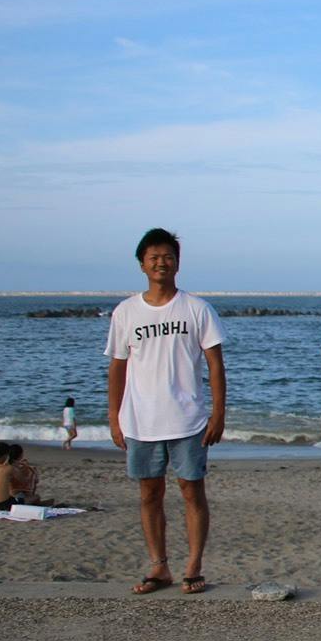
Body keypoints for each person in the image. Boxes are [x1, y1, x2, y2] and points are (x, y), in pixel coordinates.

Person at [105, 228, 227, 595]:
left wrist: (218, 413)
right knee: (149, 493)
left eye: (168, 257)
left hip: (188, 419)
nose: (161, 263)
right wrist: (114, 418)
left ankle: (193, 565)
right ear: (142, 264)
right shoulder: (126, 312)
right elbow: (117, 367)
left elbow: (215, 365)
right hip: (140, 420)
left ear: (178, 263)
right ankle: (159, 566)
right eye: (154, 257)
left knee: (192, 491)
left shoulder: (196, 308)